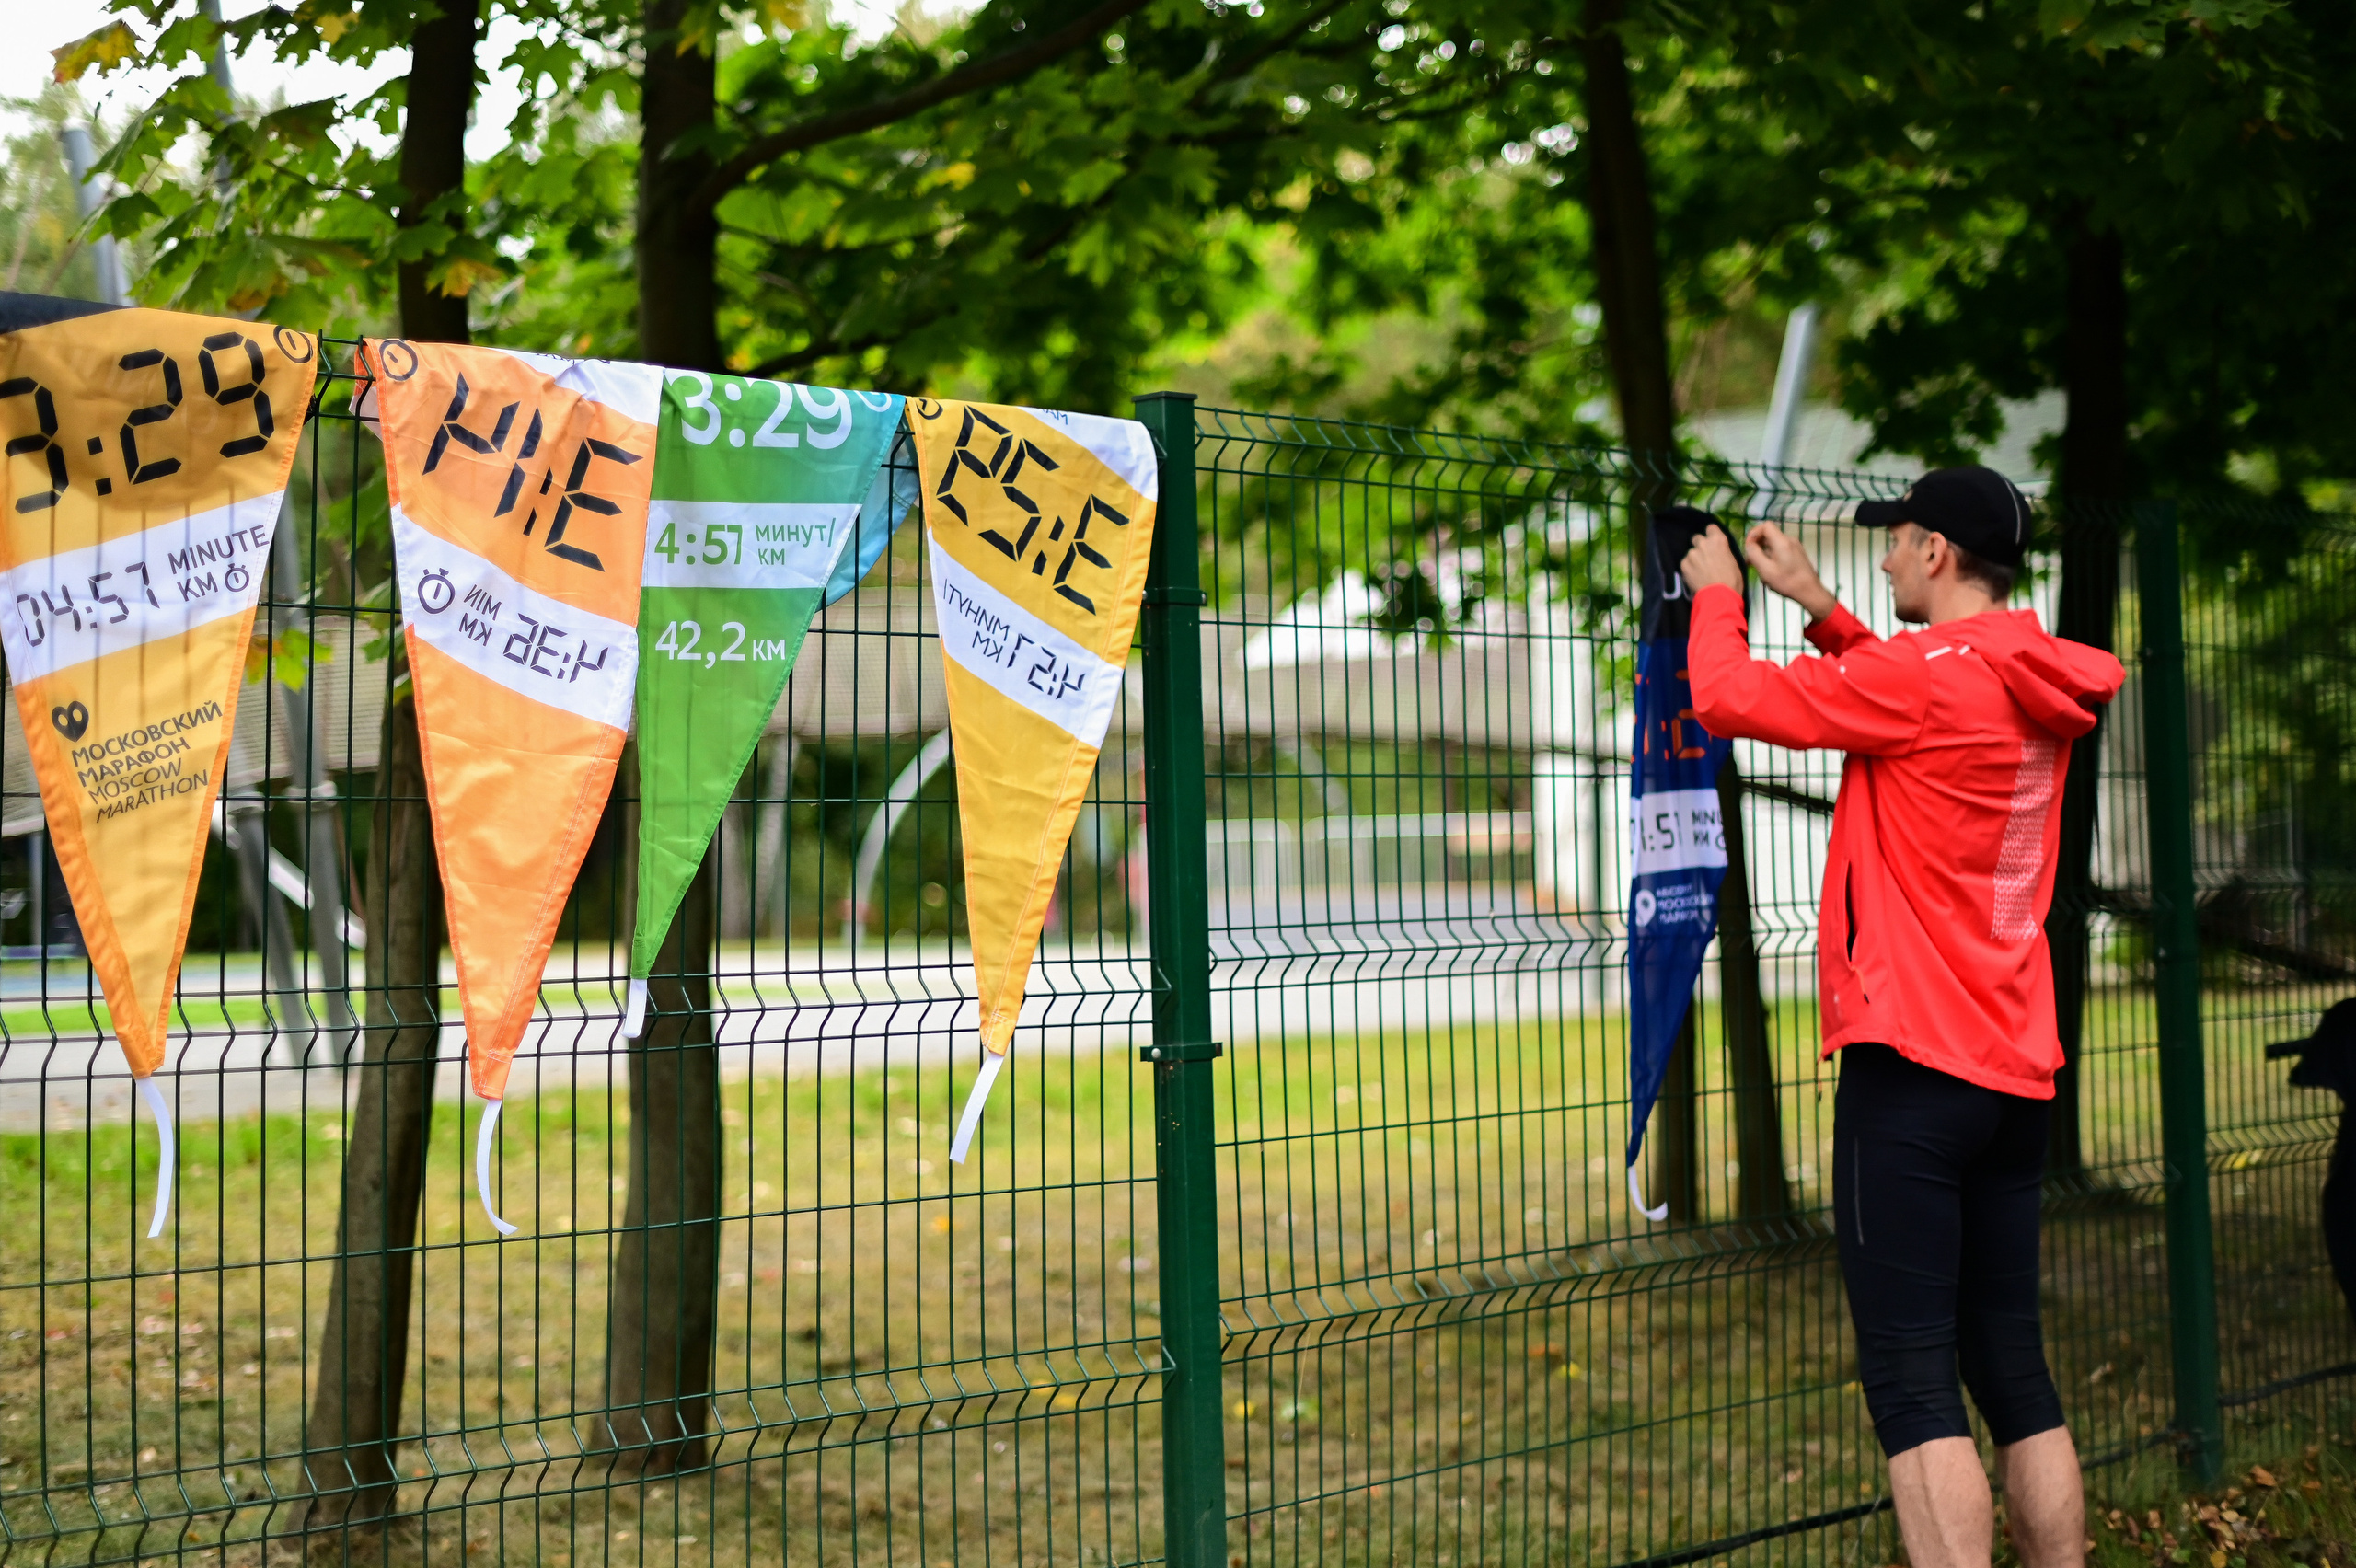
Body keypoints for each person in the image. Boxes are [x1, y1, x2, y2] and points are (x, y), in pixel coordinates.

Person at [1675, 467, 2126, 1568]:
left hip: (1913, 1076)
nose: (1882, 563)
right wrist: (1819, 605)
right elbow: (1909, 690)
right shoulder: (2036, 673)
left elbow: (1729, 698)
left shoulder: (1922, 677)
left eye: (1895, 543)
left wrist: (1719, 592)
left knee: (1913, 1379)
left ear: (1936, 553)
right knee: (2012, 1368)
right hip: (2014, 1075)